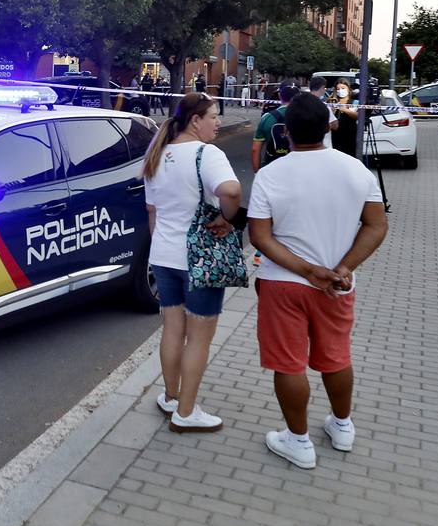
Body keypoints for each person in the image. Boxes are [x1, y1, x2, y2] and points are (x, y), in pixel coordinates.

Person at [248, 94, 387, 469]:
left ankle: (298, 442)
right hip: (337, 284)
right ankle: (342, 427)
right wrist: (342, 268)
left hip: (282, 282)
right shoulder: (356, 169)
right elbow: (377, 225)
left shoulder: (269, 175)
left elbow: (260, 237)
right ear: (329, 126)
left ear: (286, 130)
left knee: (289, 364)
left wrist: (307, 270)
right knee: (336, 356)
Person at [141, 92, 243, 434]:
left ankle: (171, 397)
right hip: (199, 259)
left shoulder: (157, 155)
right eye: (213, 116)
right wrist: (227, 218)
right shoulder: (206, 154)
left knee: (172, 329)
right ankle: (186, 412)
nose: (217, 122)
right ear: (195, 120)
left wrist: (161, 249)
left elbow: (152, 212)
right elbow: (230, 190)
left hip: (164, 256)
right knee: (199, 338)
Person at [252, 83, 299, 173]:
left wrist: (257, 172)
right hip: (297, 170)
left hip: (271, 168)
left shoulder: (267, 117)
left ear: (279, 95)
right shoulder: (306, 116)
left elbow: (255, 149)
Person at [330, 80, 358, 155]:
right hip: (336, 135)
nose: (340, 91)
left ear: (348, 89)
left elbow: (357, 116)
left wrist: (344, 109)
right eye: (338, 89)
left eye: (343, 88)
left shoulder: (354, 102)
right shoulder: (332, 102)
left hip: (350, 134)